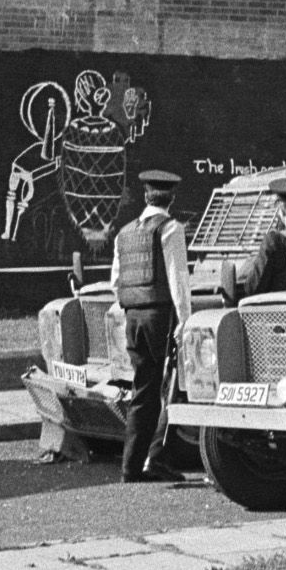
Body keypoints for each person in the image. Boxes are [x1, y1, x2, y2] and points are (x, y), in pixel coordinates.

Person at [112, 170, 194, 482]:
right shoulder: (170, 228)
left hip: (133, 316)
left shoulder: (125, 232)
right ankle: (152, 459)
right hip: (160, 316)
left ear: (146, 196)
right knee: (166, 388)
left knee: (143, 388)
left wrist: (129, 310)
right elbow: (178, 280)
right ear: (170, 199)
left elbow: (116, 281)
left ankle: (135, 463)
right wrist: (184, 320)